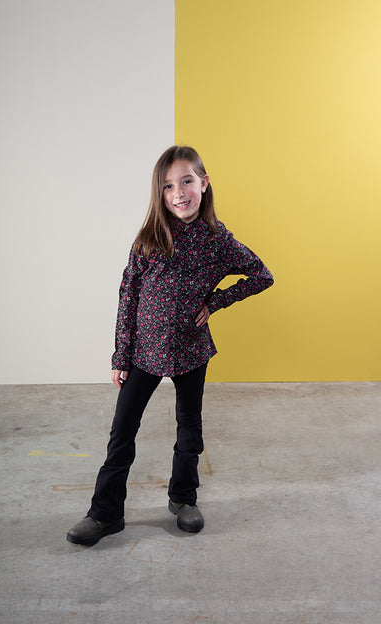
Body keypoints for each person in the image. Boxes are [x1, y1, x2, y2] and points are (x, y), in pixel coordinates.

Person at [67, 145, 274, 546]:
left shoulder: (218, 240)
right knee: (122, 431)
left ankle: (183, 499)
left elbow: (262, 275)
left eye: (186, 182)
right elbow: (128, 296)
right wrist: (120, 354)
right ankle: (105, 513)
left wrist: (215, 302)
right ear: (159, 193)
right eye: (168, 186)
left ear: (204, 183)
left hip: (191, 349)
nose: (179, 193)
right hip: (144, 351)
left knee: (189, 427)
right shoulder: (149, 238)